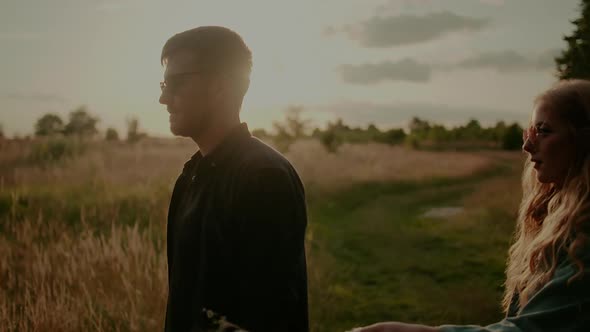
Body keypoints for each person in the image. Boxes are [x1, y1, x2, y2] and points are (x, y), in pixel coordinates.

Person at [352, 80, 590, 332]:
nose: (527, 146)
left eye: (543, 131)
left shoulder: (585, 235)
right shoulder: (557, 212)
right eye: (529, 132)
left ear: (583, 139)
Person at [158, 26, 309, 332]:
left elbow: (269, 314)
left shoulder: (264, 177)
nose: (163, 98)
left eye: (175, 83)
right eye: (164, 83)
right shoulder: (190, 177)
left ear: (220, 86)